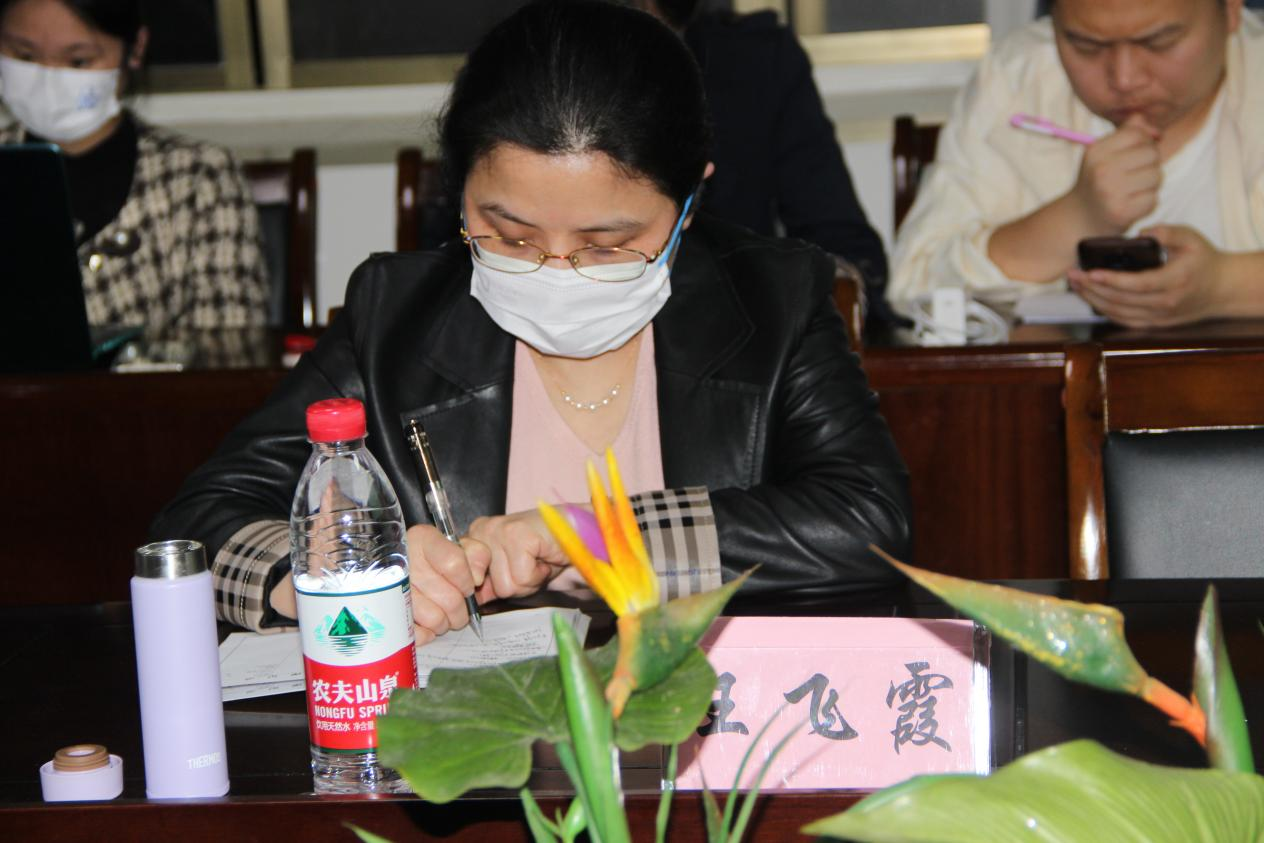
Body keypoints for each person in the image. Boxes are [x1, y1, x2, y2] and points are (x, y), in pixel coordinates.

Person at [152, 0, 912, 639]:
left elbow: (867, 519)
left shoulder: (772, 299)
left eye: (607, 245)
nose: (556, 268)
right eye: (510, 236)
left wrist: (597, 536)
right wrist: (325, 572)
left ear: (690, 201)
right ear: (459, 189)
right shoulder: (398, 318)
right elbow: (193, 527)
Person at [889, 0, 1264, 329]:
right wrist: (1077, 217)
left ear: (1231, 9)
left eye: (1159, 42)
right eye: (1087, 46)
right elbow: (912, 288)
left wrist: (1224, 287)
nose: (1124, 78)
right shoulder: (1020, 76)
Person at [0, 0, 269, 329]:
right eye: (25, 56)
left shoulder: (199, 178)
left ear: (135, 49)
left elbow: (228, 338)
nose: (47, 79)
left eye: (78, 61)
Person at [632, 0, 895, 326]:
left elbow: (842, 243)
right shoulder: (567, 68)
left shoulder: (756, 59)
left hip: (737, 328)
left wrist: (817, 291)